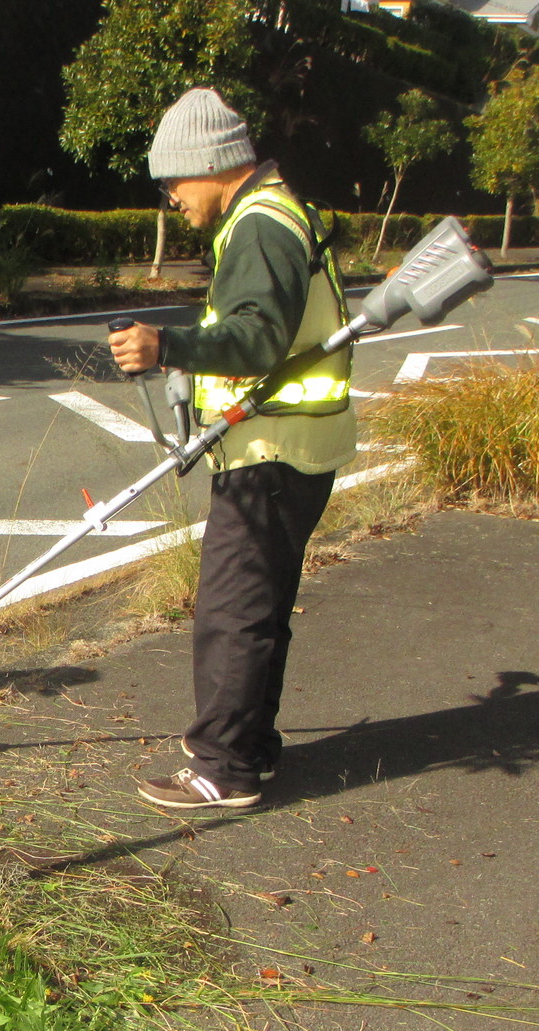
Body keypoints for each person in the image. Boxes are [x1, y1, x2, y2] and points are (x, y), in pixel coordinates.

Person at [106, 89, 355, 812]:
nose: (171, 199)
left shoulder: (260, 226)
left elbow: (256, 337)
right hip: (290, 443)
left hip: (273, 448)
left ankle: (222, 768)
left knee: (233, 608)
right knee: (262, 604)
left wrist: (167, 345)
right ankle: (249, 747)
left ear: (208, 165)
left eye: (172, 182)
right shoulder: (273, 214)